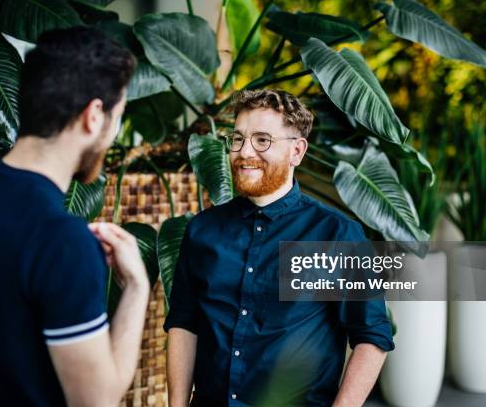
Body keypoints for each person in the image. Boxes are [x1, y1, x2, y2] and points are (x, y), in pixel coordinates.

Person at [0, 27, 149, 406]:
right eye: (118, 116)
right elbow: (95, 401)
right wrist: (136, 289)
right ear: (94, 116)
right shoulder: (63, 240)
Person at [165, 89, 395, 407]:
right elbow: (183, 323)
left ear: (296, 152)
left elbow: (372, 336)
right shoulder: (202, 231)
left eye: (262, 140)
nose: (244, 152)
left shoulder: (337, 235)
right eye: (237, 139)